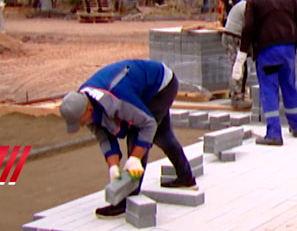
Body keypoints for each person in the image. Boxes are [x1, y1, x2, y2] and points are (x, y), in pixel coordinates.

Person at [59, 59, 197, 219]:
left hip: (161, 86)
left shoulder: (116, 100)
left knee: (139, 135)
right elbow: (104, 136)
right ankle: (186, 177)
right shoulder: (83, 102)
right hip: (143, 88)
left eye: (81, 121)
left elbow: (148, 124)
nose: (82, 125)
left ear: (88, 109)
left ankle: (125, 200)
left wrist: (135, 159)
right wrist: (113, 167)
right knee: (163, 135)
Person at [237, 0, 297, 145]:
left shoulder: (255, 1)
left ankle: (274, 133)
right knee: (289, 86)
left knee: (269, 89)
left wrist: (241, 56)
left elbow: (248, 29)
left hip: (267, 52)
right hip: (288, 50)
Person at [222, 0, 258, 105]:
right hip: (232, 37)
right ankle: (236, 97)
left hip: (238, 37)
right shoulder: (247, 7)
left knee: (243, 67)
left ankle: (241, 93)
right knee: (237, 66)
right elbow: (250, 29)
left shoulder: (247, 6)